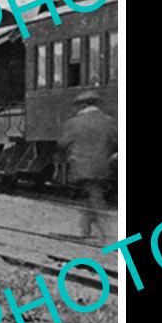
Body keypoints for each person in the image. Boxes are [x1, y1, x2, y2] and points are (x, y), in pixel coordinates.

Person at [58, 91, 117, 239]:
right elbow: (117, 141)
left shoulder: (73, 123)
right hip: (104, 167)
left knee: (94, 196)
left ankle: (107, 233)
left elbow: (63, 143)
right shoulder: (108, 121)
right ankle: (86, 231)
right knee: (93, 194)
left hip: (81, 168)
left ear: (83, 105)